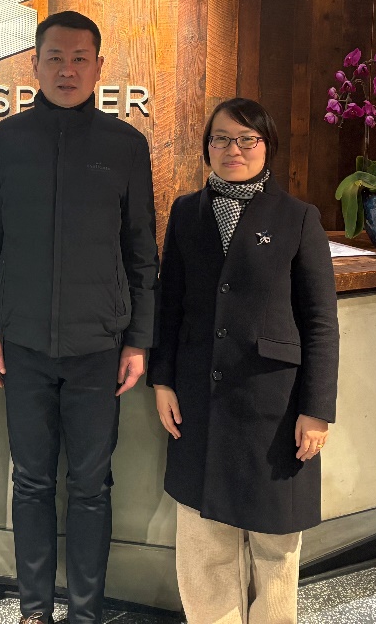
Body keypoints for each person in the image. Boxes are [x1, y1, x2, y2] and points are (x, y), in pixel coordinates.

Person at [0, 11, 159, 624]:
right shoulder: (2, 142)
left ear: (99, 67)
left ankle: (84, 612)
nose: (67, 70)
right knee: (30, 482)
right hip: (21, 343)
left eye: (80, 59)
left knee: (91, 485)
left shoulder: (125, 145)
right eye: (55, 57)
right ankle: (33, 609)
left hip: (99, 346)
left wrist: (139, 340)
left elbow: (141, 250)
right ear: (35, 64)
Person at [149, 98, 339, 624]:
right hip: (198, 395)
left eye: (246, 139)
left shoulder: (299, 217)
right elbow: (170, 303)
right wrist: (163, 381)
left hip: (274, 404)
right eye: (221, 139)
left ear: (266, 145)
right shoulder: (187, 212)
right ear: (207, 147)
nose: (233, 149)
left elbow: (320, 321)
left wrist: (317, 410)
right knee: (203, 541)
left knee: (275, 542)